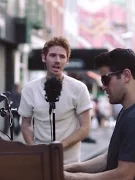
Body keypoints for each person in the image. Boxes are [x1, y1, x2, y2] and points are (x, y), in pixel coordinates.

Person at [64, 48, 135, 180]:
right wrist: (70, 168)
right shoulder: (129, 112)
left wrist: (70, 177)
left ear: (126, 76)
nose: (103, 86)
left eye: (105, 80)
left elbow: (124, 176)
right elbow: (108, 159)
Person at [18, 36, 92, 165]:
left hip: (70, 163)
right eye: (52, 55)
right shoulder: (30, 89)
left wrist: (60, 146)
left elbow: (85, 127)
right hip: (40, 160)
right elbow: (25, 124)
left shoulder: (79, 88)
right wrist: (34, 149)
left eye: (62, 57)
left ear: (67, 61)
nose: (57, 60)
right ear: (43, 58)